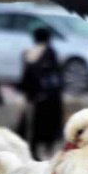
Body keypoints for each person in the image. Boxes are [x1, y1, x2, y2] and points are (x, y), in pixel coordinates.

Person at [16, 27, 64, 159]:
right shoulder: (51, 53)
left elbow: (25, 78)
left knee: (31, 128)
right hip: (49, 99)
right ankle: (43, 152)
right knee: (47, 128)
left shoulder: (29, 53)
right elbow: (57, 77)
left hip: (33, 97)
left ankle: (32, 151)